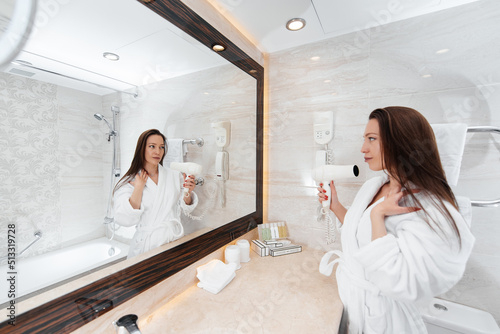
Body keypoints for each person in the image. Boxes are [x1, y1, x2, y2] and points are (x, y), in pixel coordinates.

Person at [317, 107, 474, 333]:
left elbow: (398, 280)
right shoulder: (375, 185)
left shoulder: (423, 204)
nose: (363, 148)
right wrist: (336, 207)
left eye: (372, 139)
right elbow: (358, 234)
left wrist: (377, 215)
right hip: (355, 303)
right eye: (365, 139)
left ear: (401, 142)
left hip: (386, 320)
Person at [113, 129, 198, 259]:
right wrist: (139, 188)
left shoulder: (174, 175)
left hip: (173, 240)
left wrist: (188, 192)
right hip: (147, 245)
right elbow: (124, 219)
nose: (158, 152)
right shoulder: (130, 181)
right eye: (152, 146)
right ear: (142, 149)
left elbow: (184, 206)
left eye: (161, 147)